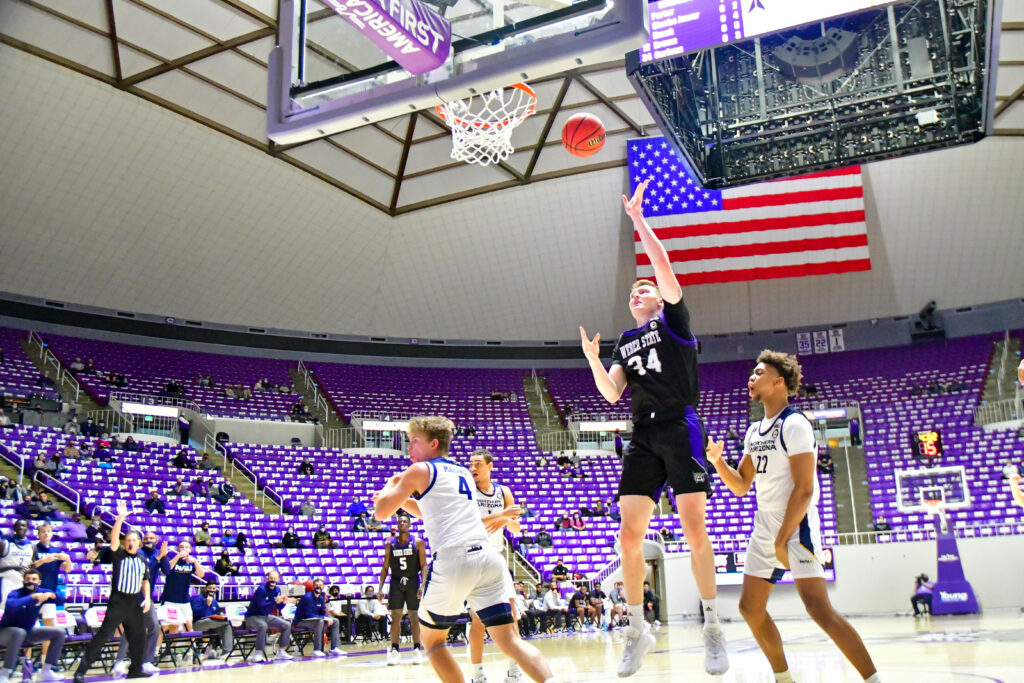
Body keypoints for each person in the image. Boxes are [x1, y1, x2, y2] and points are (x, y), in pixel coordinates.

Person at [579, 178, 726, 677]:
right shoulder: (624, 340)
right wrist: (593, 361)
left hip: (680, 425)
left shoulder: (674, 323)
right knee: (627, 537)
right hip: (641, 434)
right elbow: (611, 393)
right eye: (632, 290)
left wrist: (639, 221)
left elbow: (664, 271)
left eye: (643, 288)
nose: (636, 292)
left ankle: (711, 627)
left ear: (658, 300)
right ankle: (637, 631)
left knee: (693, 530)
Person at [706, 350, 881, 683]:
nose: (751, 378)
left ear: (779, 382)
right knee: (749, 608)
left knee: (817, 607)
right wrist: (718, 462)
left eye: (759, 373)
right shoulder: (754, 431)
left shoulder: (796, 423)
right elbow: (742, 485)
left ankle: (874, 680)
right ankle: (783, 679)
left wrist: (783, 538)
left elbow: (804, 490)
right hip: (764, 525)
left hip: (795, 523)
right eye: (751, 374)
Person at [371, 415, 557, 683]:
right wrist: (401, 500)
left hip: (454, 560)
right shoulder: (461, 472)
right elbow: (430, 512)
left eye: (414, 442)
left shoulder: (419, 471)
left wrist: (391, 486)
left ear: (433, 443)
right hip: (487, 559)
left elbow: (380, 513)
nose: (409, 448)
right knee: (510, 641)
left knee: (432, 639)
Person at [73, 503, 154, 683]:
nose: (131, 542)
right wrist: (120, 518)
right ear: (125, 543)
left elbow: (145, 581)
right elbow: (115, 538)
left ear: (139, 543)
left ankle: (135, 670)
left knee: (139, 636)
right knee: (103, 636)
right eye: (128, 540)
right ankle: (81, 671)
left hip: (135, 602)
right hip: (118, 600)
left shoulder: (142, 560)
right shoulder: (119, 554)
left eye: (134, 540)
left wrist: (147, 598)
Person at [465, 448, 522, 683]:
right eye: (470, 464)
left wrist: (508, 519)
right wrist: (502, 517)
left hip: (496, 558)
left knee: (512, 614)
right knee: (478, 619)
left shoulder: (503, 491)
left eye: (477, 464)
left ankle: (514, 670)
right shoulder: (466, 490)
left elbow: (516, 528)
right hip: (473, 557)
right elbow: (467, 522)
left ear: (490, 466)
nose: (472, 468)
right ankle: (477, 674)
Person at [375, 515, 427, 665]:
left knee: (414, 616)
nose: (402, 523)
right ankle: (395, 651)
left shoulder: (418, 542)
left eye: (405, 521)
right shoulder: (390, 543)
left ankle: (417, 650)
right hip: (396, 582)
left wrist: (422, 585)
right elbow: (385, 566)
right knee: (395, 617)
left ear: (410, 525)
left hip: (412, 581)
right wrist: (380, 588)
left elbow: (424, 565)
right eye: (399, 522)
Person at [0, 568, 66, 682]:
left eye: (33, 579)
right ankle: (4, 674)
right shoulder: (15, 593)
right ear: (23, 581)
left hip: (27, 632)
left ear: (39, 582)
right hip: (5, 633)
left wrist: (52, 595)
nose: (30, 581)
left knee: (59, 632)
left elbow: (61, 599)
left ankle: (46, 671)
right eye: (27, 579)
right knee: (19, 632)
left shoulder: (42, 591)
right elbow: (12, 605)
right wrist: (31, 597)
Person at [31, 522, 72, 660]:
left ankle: (44, 661)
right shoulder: (33, 548)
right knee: (29, 625)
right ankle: (27, 660)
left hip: (49, 593)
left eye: (48, 531)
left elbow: (68, 569)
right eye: (43, 531)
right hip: (33, 593)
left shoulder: (56, 550)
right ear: (38, 534)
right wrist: (42, 561)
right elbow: (27, 568)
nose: (46, 533)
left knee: (49, 627)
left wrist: (67, 558)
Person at [243, 570, 294, 662]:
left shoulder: (277, 590)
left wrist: (284, 603)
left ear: (278, 579)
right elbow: (260, 605)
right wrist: (274, 601)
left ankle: (281, 651)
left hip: (266, 616)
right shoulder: (261, 589)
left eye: (275, 578)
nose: (273, 580)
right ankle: (257, 653)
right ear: (267, 579)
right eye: (271, 578)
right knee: (263, 626)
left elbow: (278, 606)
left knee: (286, 625)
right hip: (252, 616)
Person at [160, 541, 206, 632]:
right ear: (178, 549)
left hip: (184, 599)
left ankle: (193, 645)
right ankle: (161, 646)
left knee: (189, 626)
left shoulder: (191, 562)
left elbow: (201, 575)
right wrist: (178, 556)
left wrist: (196, 562)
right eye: (181, 547)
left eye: (186, 547)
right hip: (169, 599)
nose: (184, 549)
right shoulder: (171, 559)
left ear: (189, 550)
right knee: (168, 627)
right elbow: (167, 570)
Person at [294, 577, 344, 657]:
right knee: (319, 621)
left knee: (335, 621)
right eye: (316, 585)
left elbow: (323, 612)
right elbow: (308, 615)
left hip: (315, 620)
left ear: (323, 587)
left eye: (320, 585)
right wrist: (323, 618)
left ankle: (334, 648)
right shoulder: (307, 597)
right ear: (313, 587)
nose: (318, 587)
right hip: (301, 621)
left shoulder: (321, 598)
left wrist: (326, 618)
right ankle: (317, 650)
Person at [191, 581, 232, 665]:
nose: (211, 590)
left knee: (227, 625)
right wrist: (207, 605)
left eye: (213, 588)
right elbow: (196, 613)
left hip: (212, 623)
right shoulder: (197, 599)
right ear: (205, 588)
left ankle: (226, 652)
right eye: (209, 588)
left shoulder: (215, 601)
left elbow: (217, 612)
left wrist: (221, 614)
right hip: (198, 624)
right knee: (210, 620)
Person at [0, 519, 35, 606]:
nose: (21, 527)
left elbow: (32, 568)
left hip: (23, 583)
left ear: (28, 528)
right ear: (14, 528)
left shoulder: (32, 546)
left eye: (23, 525)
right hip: (5, 582)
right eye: (18, 525)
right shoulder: (4, 544)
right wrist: (13, 567)